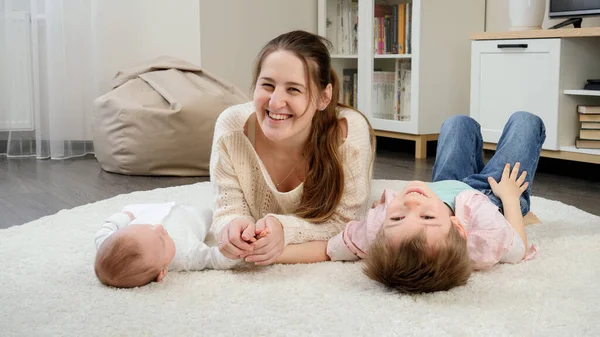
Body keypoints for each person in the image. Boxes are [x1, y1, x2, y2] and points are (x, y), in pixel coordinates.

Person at [275, 111, 546, 294]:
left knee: (457, 123)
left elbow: (326, 249)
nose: (411, 208)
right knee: (526, 122)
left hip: (441, 187)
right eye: (427, 219)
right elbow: (518, 248)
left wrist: (271, 253)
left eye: (396, 218)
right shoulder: (485, 235)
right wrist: (510, 198)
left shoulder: (377, 234)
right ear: (457, 228)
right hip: (492, 195)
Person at [209, 30, 375, 266]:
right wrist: (232, 227)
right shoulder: (231, 128)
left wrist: (284, 229)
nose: (275, 102)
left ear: (324, 97)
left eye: (294, 89)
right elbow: (228, 209)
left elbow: (347, 225)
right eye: (267, 85)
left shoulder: (348, 134)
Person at [93, 203, 263, 288]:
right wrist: (238, 248)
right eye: (161, 240)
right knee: (209, 212)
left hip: (156, 208)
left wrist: (125, 216)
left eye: (146, 227)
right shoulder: (186, 256)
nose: (159, 227)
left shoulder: (107, 243)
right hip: (194, 215)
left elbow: (106, 229)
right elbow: (215, 258)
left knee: (138, 211)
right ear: (162, 272)